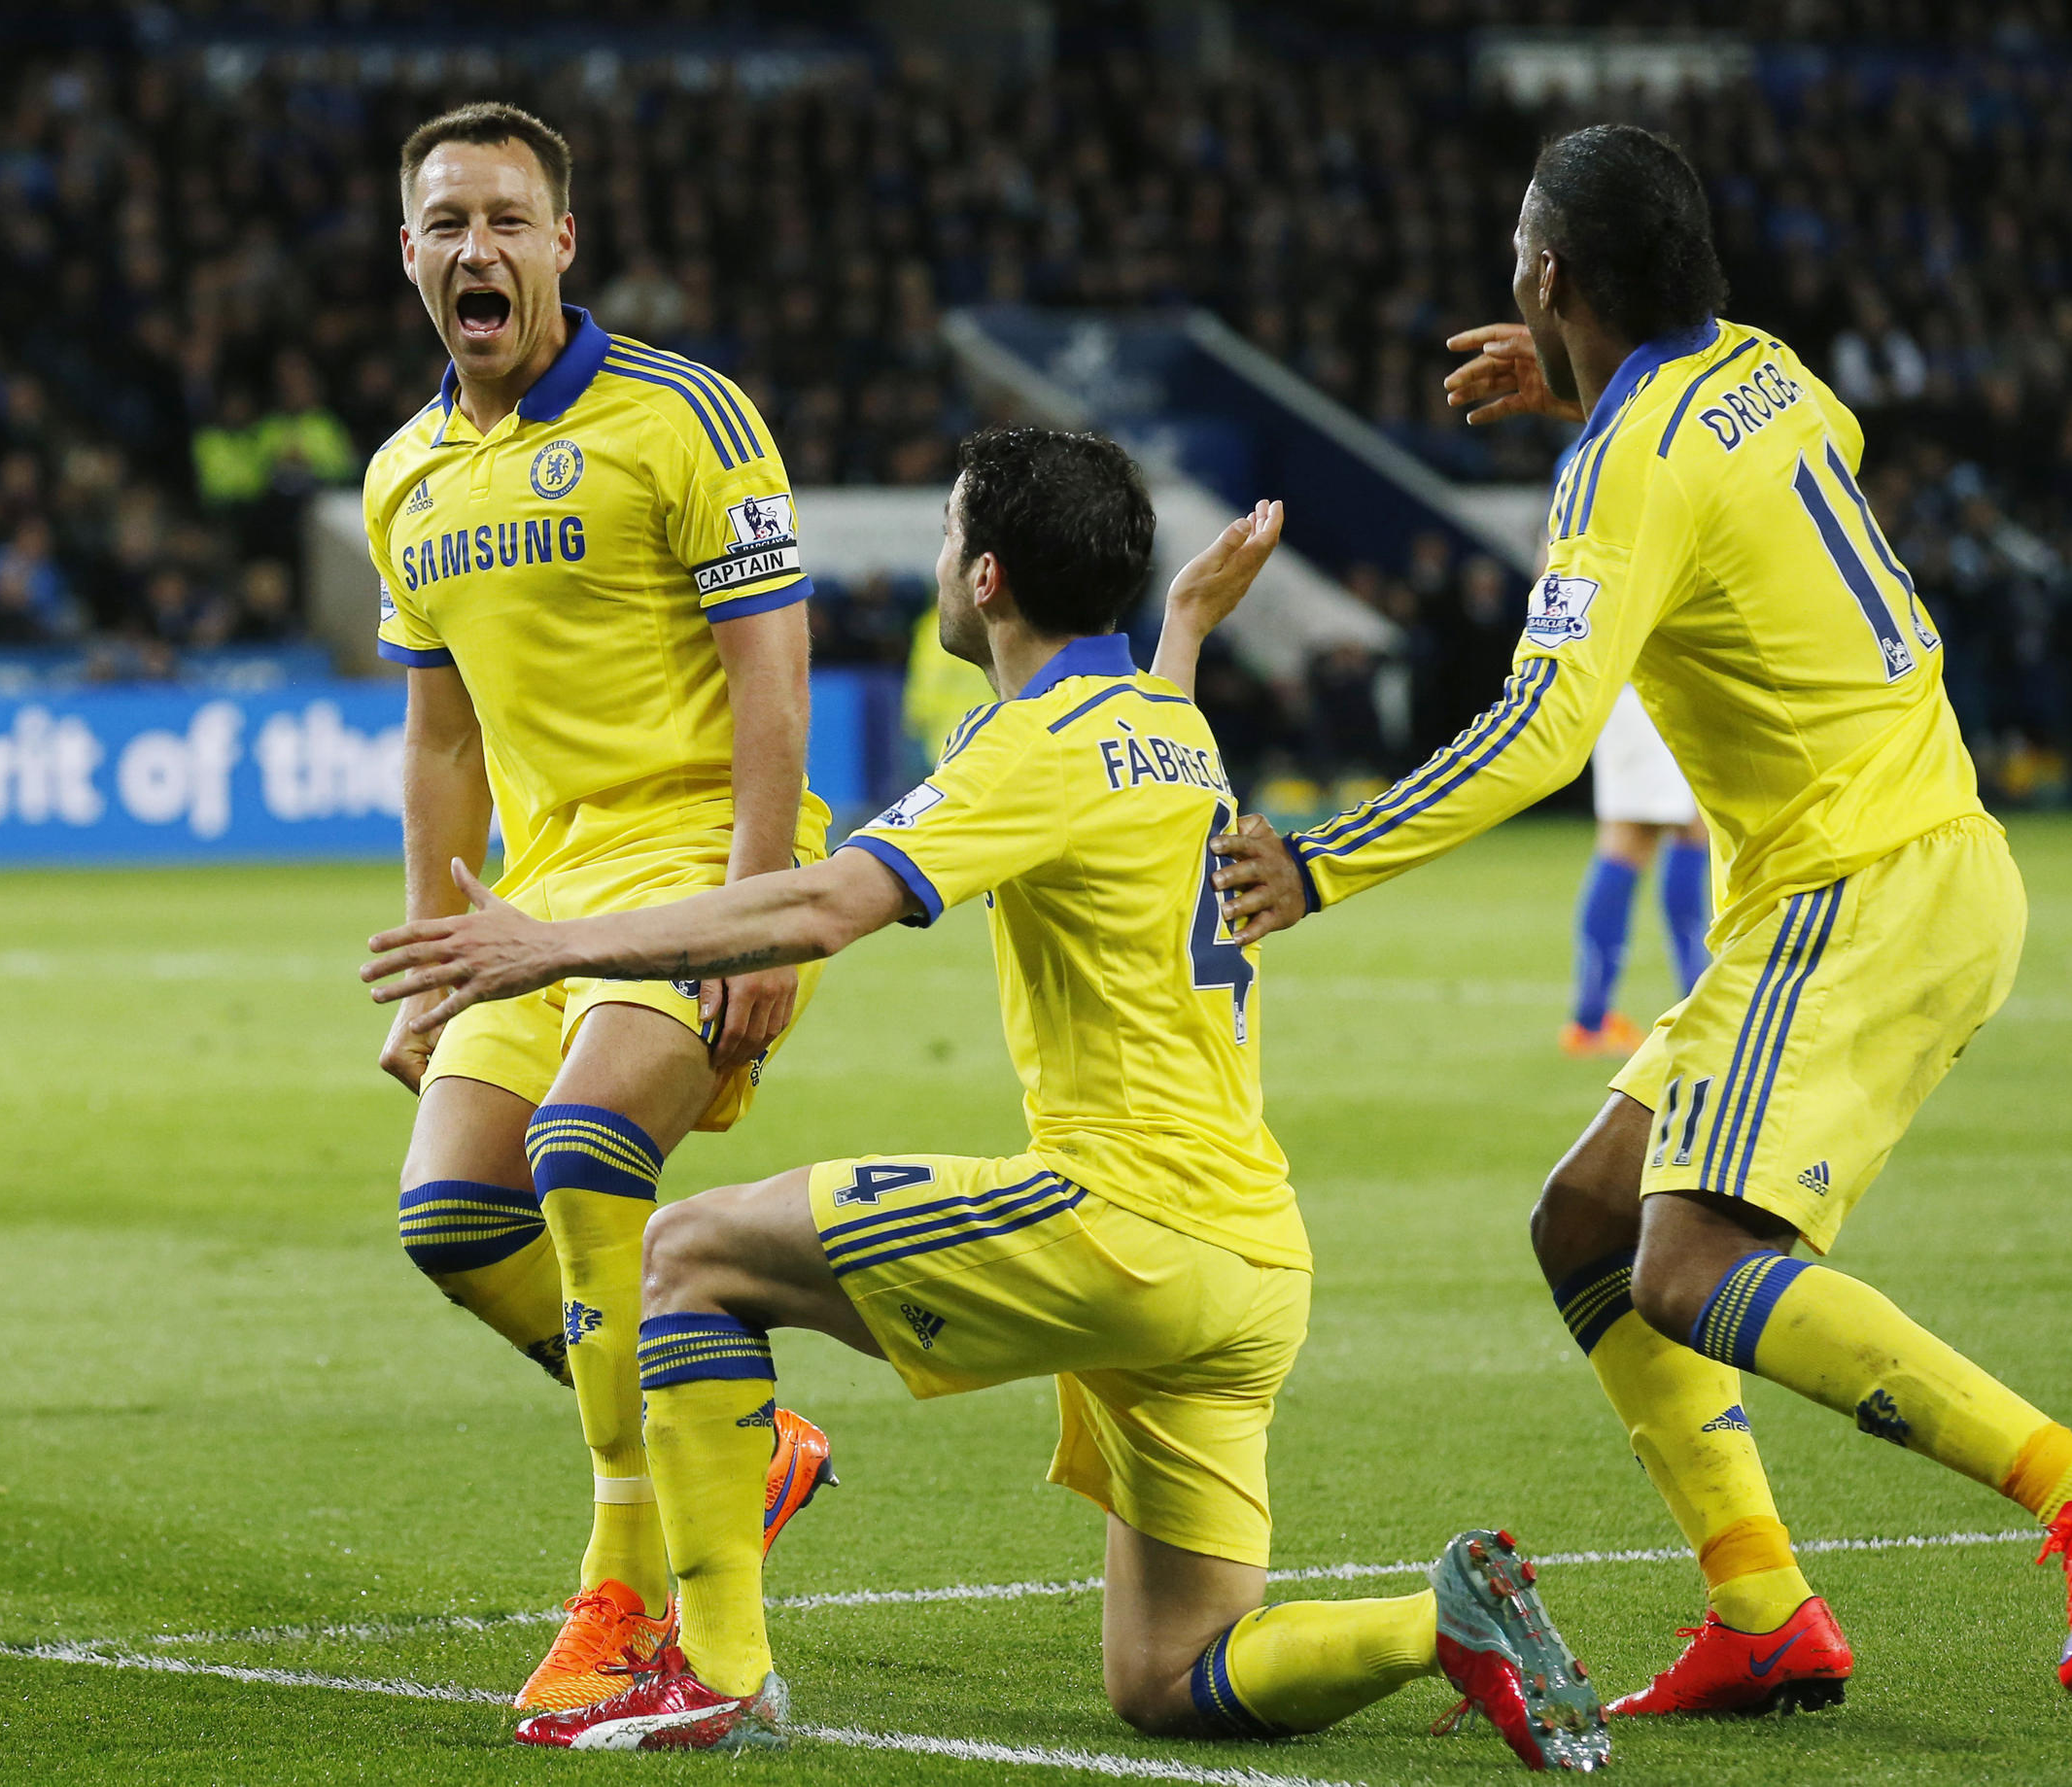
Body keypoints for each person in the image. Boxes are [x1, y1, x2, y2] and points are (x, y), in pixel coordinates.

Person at [364, 429, 1611, 1770]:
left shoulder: (1037, 747)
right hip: (1247, 1260)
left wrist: (545, 946)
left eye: (952, 539)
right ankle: (1444, 1624)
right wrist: (1183, 616)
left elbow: (828, 900)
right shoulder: (1171, 727)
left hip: (1119, 1221)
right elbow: (1128, 734)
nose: (939, 565)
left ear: (993, 577)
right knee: (1169, 1675)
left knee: (686, 1254)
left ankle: (714, 1667)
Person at [1199, 124, 2072, 1715]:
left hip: (1859, 881)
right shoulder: (1763, 368)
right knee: (1588, 1222)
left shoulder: (1627, 461)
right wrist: (1595, 394)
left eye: (1521, 254)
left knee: (1687, 1260)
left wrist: (1327, 856)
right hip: (1887, 858)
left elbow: (1541, 726)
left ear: (1553, 278)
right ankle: (1762, 1607)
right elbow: (1809, 447)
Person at [364, 101, 837, 1713]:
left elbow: (774, 673)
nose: (476, 249)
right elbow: (439, 734)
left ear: (564, 241)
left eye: (507, 219)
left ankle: (625, 1587)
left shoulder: (685, 416)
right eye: (447, 224)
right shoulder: (405, 475)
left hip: (702, 853)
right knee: (452, 1215)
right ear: (410, 253)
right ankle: (738, 1433)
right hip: (537, 895)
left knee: (578, 1150)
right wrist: (434, 955)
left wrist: (761, 909)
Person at [1562, 682, 1710, 1058]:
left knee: (1692, 827)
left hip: (1637, 693)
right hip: (1649, 694)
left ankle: (1697, 1006)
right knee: (1634, 840)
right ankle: (1591, 1022)